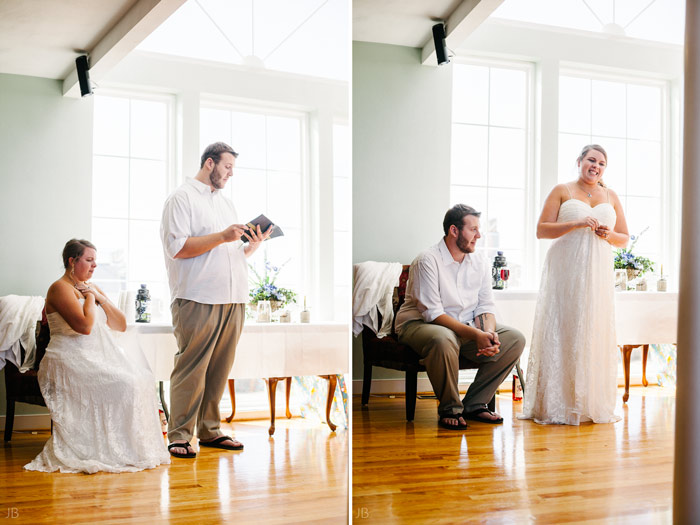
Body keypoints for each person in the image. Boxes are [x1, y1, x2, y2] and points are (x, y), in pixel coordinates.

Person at [160, 141, 270, 459]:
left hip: (233, 298)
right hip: (197, 297)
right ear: (210, 163)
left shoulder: (226, 203)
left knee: (219, 368)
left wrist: (253, 244)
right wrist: (223, 235)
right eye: (227, 167)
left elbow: (231, 253)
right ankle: (178, 435)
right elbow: (177, 248)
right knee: (191, 367)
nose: (230, 174)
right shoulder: (180, 198)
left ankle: (209, 430)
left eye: (232, 169)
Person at [24, 239, 170, 473]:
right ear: (72, 261)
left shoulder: (92, 287)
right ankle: (100, 449)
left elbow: (120, 324)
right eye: (89, 260)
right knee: (126, 383)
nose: (94, 266)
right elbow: (84, 327)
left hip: (95, 356)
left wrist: (97, 295)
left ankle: (127, 448)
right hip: (67, 357)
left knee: (140, 379)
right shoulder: (59, 288)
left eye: (95, 261)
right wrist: (91, 298)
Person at [520, 144, 629, 425]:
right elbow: (541, 230)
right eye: (591, 160)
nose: (596, 166)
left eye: (601, 163)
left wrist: (607, 234)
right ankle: (558, 403)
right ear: (579, 161)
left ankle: (589, 402)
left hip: (598, 272)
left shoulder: (611, 195)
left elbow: (624, 237)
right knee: (564, 327)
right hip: (565, 270)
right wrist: (577, 223)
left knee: (592, 329)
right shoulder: (562, 190)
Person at [395, 204, 526, 430]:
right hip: (419, 324)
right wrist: (476, 334)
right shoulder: (427, 260)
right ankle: (450, 408)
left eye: (479, 229)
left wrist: (488, 333)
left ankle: (475, 404)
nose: (479, 235)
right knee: (443, 338)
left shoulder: (479, 262)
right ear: (454, 231)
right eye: (473, 229)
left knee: (515, 339)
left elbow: (485, 305)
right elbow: (433, 313)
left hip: (463, 327)